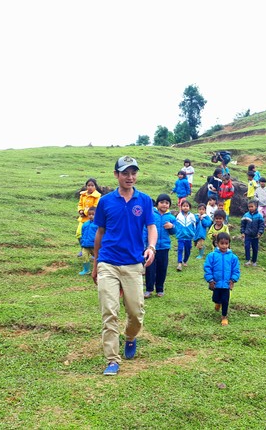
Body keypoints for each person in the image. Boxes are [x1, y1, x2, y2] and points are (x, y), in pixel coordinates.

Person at [92, 156, 157, 377]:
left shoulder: (145, 200)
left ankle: (130, 337)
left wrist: (151, 247)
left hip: (133, 263)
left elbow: (151, 227)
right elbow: (99, 234)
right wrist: (95, 264)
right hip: (108, 262)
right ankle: (112, 359)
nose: (130, 177)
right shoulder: (105, 202)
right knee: (109, 311)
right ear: (116, 175)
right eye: (125, 173)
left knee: (136, 312)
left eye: (133, 173)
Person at [203, 231, 240, 326]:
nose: (224, 246)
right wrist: (210, 279)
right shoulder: (212, 256)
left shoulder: (233, 257)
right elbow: (207, 268)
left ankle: (224, 316)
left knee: (225, 300)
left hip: (227, 284)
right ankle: (217, 302)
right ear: (217, 243)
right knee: (215, 298)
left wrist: (233, 280)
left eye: (226, 243)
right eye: (222, 243)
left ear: (229, 244)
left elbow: (236, 270)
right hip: (216, 283)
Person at [144, 193, 176, 299]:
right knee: (150, 268)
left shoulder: (171, 217)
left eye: (167, 203)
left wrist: (172, 227)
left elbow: (174, 232)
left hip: (164, 247)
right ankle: (149, 289)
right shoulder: (151, 214)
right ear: (157, 204)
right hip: (151, 247)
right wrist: (146, 244)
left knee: (162, 269)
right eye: (162, 202)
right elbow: (145, 229)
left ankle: (160, 289)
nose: (164, 205)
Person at [76, 178, 102, 246]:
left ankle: (93, 249)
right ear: (86, 186)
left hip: (92, 219)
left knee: (92, 235)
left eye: (92, 185)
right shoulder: (83, 195)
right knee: (79, 234)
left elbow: (95, 207)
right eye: (88, 185)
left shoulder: (97, 196)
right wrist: (80, 210)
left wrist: (84, 212)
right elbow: (80, 204)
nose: (90, 187)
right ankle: (83, 248)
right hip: (83, 218)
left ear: (95, 187)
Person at [240, 199, 265, 267]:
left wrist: (260, 233)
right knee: (247, 247)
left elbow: (261, 226)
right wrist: (242, 232)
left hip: (255, 235)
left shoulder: (259, 216)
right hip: (247, 234)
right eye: (249, 207)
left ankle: (254, 261)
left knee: (255, 248)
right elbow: (242, 225)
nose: (250, 208)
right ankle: (248, 260)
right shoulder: (246, 215)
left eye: (252, 206)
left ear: (256, 206)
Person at [174, 200, 197, 271]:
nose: (185, 207)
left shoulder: (192, 216)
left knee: (187, 250)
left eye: (187, 206)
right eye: (183, 206)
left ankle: (185, 260)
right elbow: (176, 225)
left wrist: (193, 234)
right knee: (180, 249)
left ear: (189, 207)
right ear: (181, 207)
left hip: (189, 237)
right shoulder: (179, 216)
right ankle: (179, 263)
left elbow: (194, 226)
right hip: (181, 236)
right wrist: (177, 232)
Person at [78, 206, 98, 275]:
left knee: (97, 258)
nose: (91, 216)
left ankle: (98, 270)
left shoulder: (98, 224)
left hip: (94, 245)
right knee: (84, 256)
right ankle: (86, 270)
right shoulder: (85, 224)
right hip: (85, 245)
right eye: (89, 214)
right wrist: (82, 241)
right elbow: (82, 232)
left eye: (93, 214)